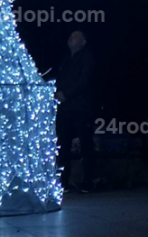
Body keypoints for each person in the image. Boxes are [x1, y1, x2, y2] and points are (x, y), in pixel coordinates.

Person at [56, 30, 96, 192]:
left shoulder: (87, 59)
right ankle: (63, 181)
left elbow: (84, 81)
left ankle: (88, 181)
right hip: (65, 109)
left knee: (85, 144)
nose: (70, 37)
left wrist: (66, 94)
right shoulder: (66, 61)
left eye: (75, 36)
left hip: (81, 108)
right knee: (63, 145)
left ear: (83, 41)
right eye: (70, 35)